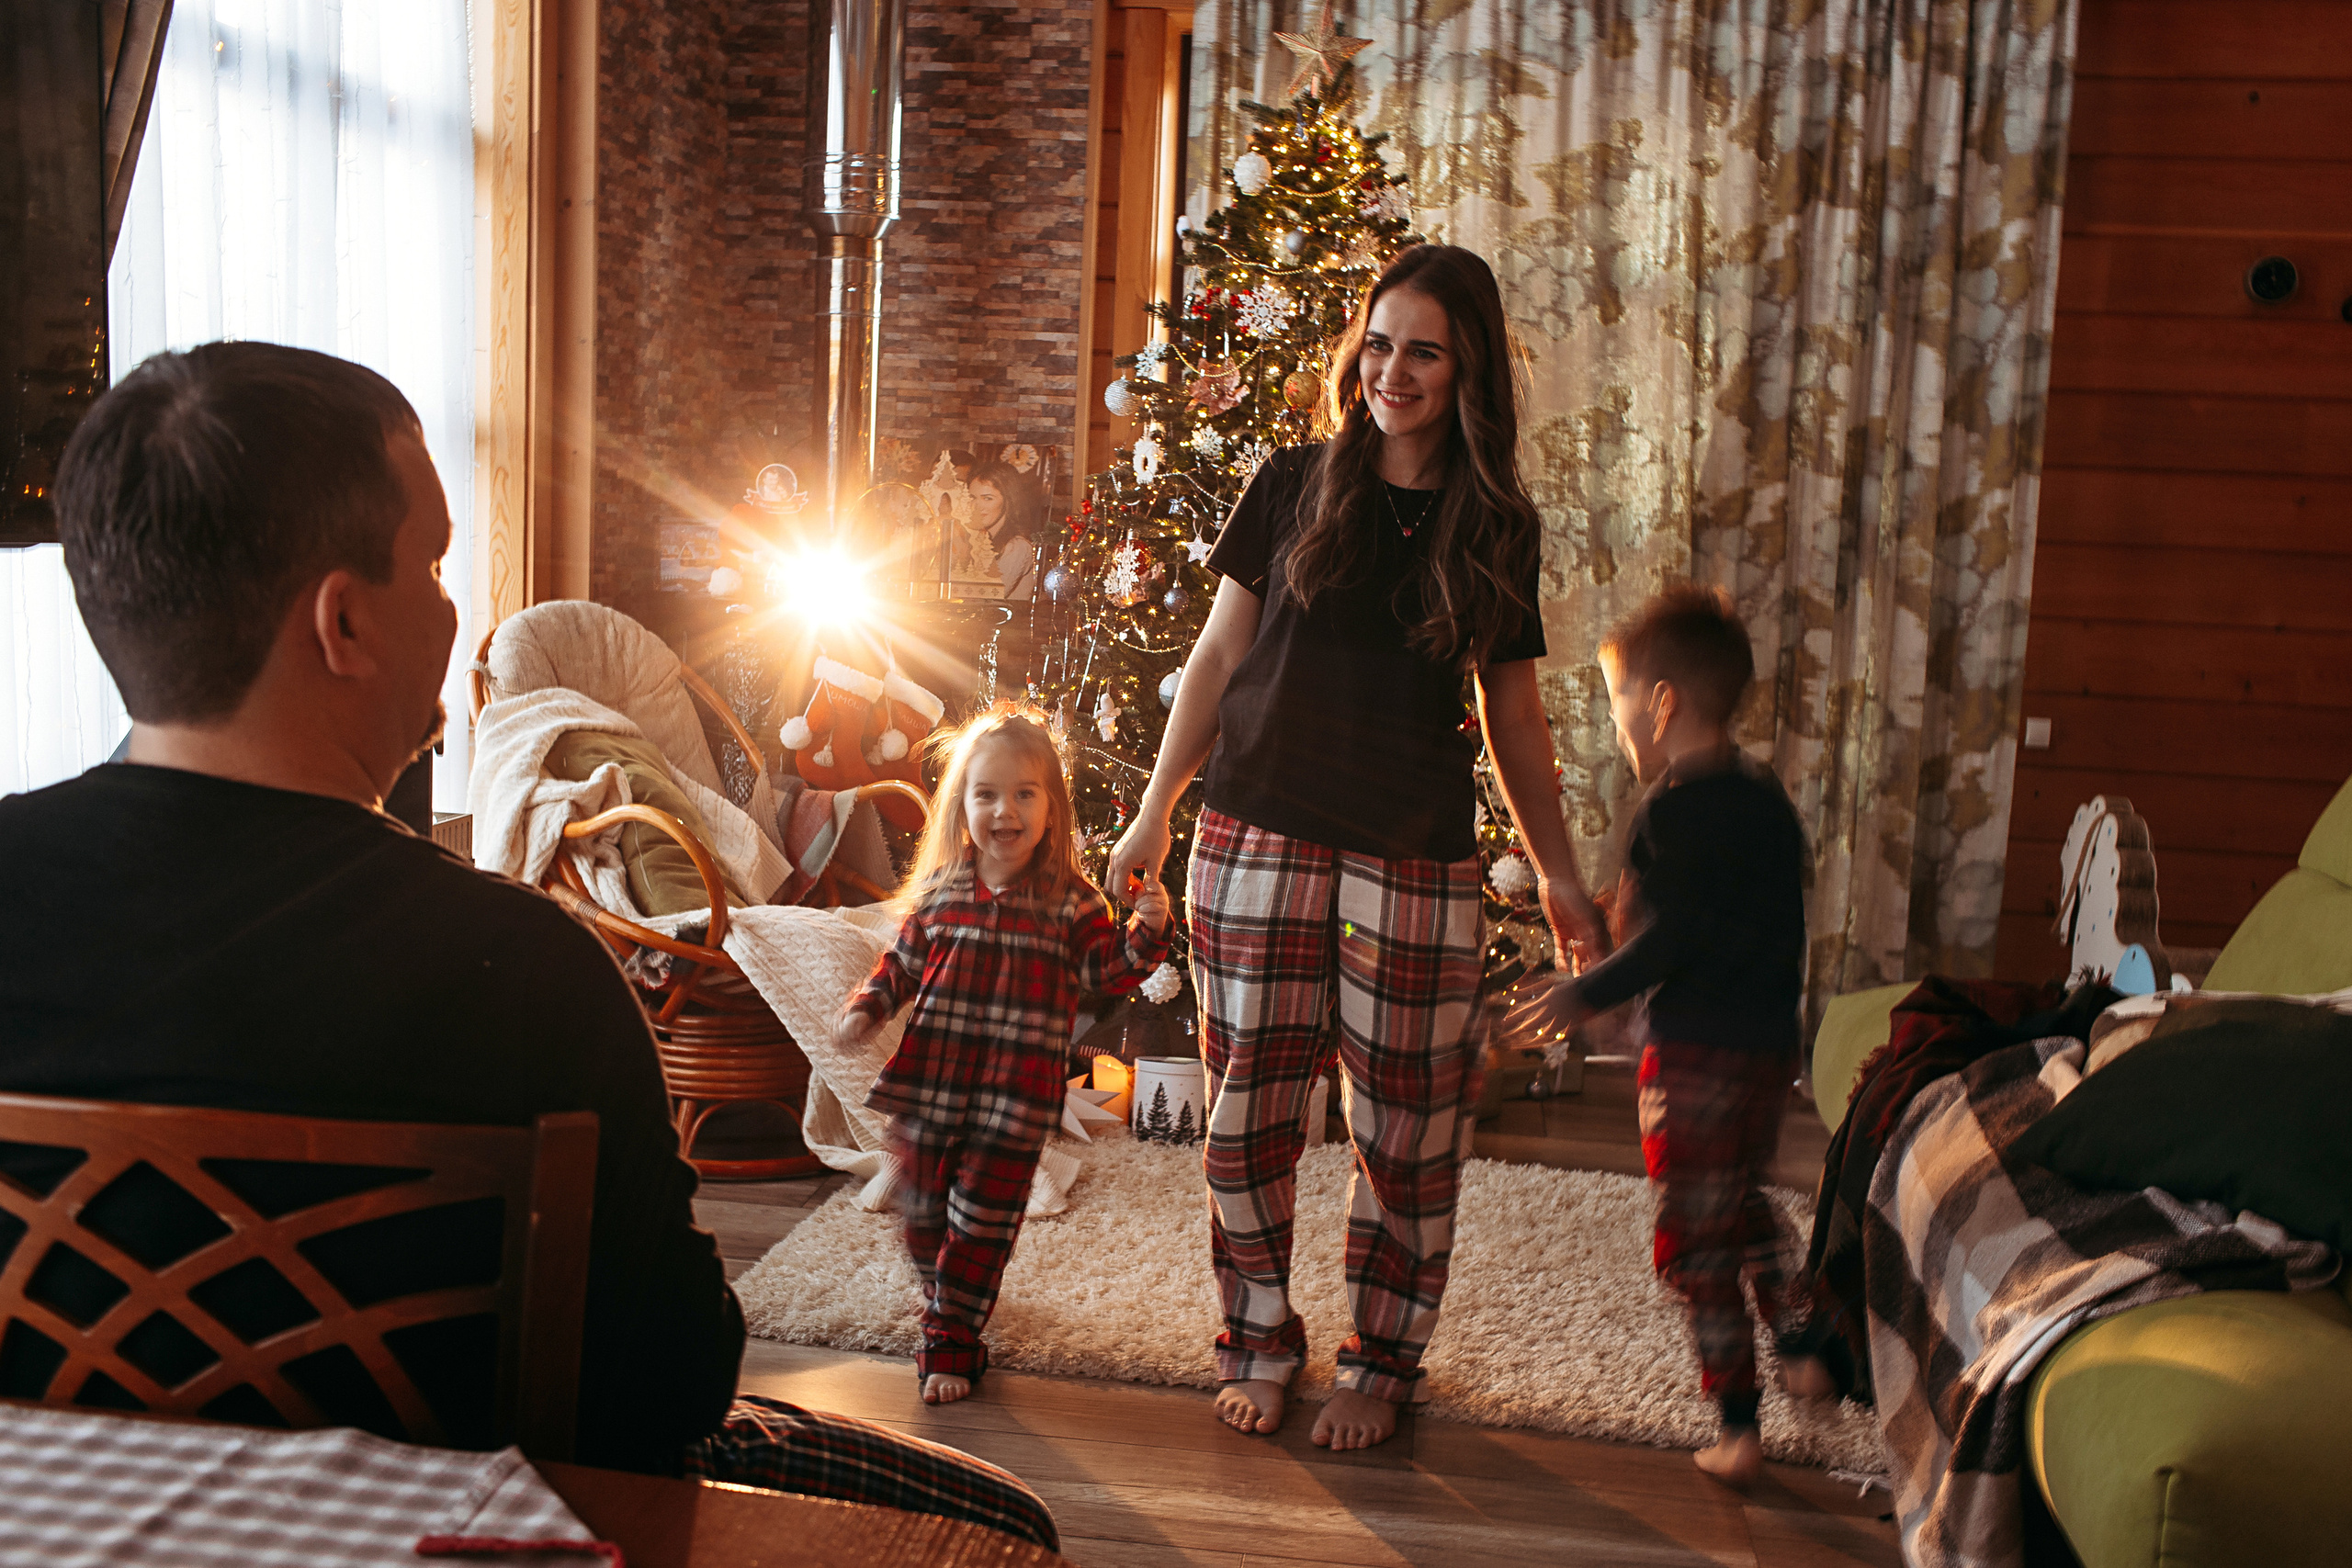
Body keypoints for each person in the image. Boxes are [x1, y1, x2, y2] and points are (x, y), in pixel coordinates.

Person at [0, 342, 1059, 1551]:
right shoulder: (528, 969)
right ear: (344, 622)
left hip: (55, 1514)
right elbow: (671, 1382)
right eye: (436, 563)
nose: (457, 610)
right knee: (1005, 1519)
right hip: (457, 1519)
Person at [1104, 244, 1606, 1451]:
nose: (1393, 370)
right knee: (1248, 1117)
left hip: (1414, 857)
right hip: (1254, 825)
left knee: (1404, 1128)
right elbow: (1220, 659)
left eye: (1423, 348)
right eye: (1379, 343)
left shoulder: (1495, 525)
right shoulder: (1289, 482)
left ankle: (1381, 1354)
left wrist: (1558, 867)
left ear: (1466, 365)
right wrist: (1156, 801)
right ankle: (1258, 1334)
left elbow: (1516, 714)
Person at [1506, 583, 1812, 1488]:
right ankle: (1801, 1337)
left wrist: (1583, 990)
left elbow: (1675, 938)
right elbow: (1746, 919)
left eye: (1619, 703)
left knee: (1693, 1237)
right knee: (1743, 1198)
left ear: (1663, 701)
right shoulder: (1765, 800)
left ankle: (1739, 1422)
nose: (1619, 725)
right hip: (1766, 1053)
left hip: (1691, 1060)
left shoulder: (1668, 811)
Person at [836, 709, 1170, 1404]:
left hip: (1015, 1098)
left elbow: (1106, 973)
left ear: (1052, 808)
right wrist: (866, 1008)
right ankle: (943, 1296)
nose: (1004, 810)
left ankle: (952, 1334)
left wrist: (1148, 930)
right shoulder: (941, 892)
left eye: (1025, 793)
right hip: (930, 1086)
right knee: (923, 1211)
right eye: (987, 793)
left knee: (984, 1220)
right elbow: (900, 963)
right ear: (963, 807)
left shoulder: (1072, 903)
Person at [967, 459, 1039, 600]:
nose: (976, 506)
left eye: (988, 498)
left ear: (1008, 501)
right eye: (972, 497)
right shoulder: (976, 540)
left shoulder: (1017, 547)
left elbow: (986, 598)